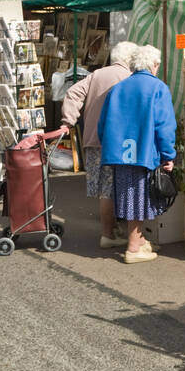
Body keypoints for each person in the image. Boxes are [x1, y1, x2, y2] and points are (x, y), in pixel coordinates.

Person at [97, 45, 176, 265]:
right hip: (144, 153)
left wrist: (111, 147)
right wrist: (168, 155)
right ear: (154, 65)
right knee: (140, 199)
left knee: (127, 197)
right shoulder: (158, 88)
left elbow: (102, 126)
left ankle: (139, 241)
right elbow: (165, 126)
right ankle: (133, 248)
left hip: (119, 154)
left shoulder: (118, 88)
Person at [59, 41, 138, 250]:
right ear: (130, 59)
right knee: (111, 189)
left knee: (104, 187)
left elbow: (72, 94)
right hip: (117, 141)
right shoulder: (129, 77)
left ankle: (111, 230)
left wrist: (69, 120)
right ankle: (107, 234)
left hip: (92, 137)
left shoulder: (97, 74)